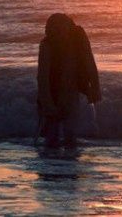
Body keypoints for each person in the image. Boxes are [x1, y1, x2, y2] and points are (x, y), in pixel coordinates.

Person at [36, 13, 101, 147]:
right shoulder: (47, 46)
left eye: (57, 29)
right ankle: (59, 160)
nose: (53, 33)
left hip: (69, 91)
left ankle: (62, 160)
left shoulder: (76, 40)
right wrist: (47, 104)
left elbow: (89, 63)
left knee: (66, 136)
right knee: (55, 135)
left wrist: (95, 87)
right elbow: (42, 79)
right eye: (51, 29)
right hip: (55, 92)